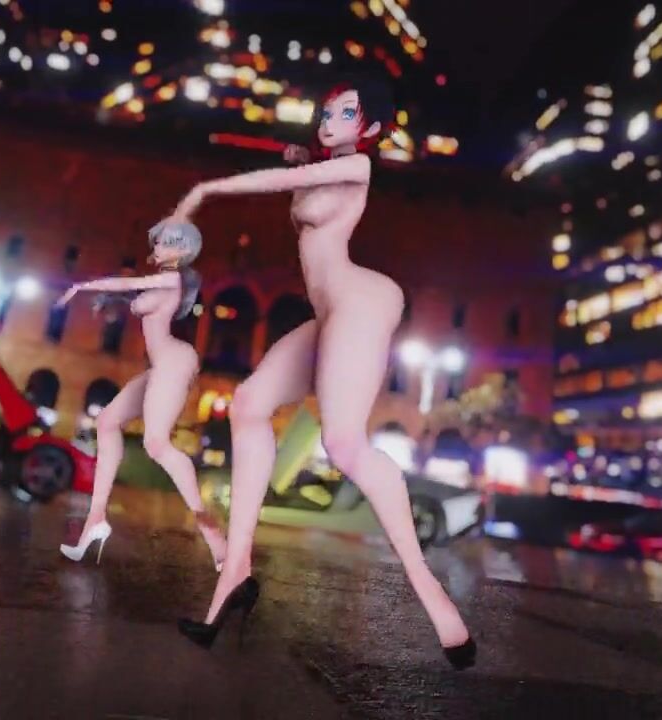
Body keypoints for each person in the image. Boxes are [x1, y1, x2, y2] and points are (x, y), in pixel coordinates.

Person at [164, 78, 475, 668]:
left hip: (360, 302)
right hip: (329, 308)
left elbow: (278, 182)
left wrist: (206, 189)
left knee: (345, 444)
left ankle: (433, 595)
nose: (329, 120)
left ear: (371, 129)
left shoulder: (356, 167)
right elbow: (299, 172)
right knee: (250, 404)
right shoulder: (325, 164)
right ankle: (236, 572)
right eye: (327, 111)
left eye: (346, 113)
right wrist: (299, 156)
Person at [55, 221, 226, 571]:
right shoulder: (162, 281)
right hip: (161, 364)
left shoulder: (173, 278)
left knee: (157, 444)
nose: (157, 248)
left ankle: (214, 536)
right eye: (157, 242)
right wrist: (109, 298)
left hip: (174, 360)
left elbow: (128, 284)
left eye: (164, 243)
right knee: (107, 421)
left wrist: (83, 286)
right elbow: (132, 293)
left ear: (182, 250)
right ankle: (95, 519)